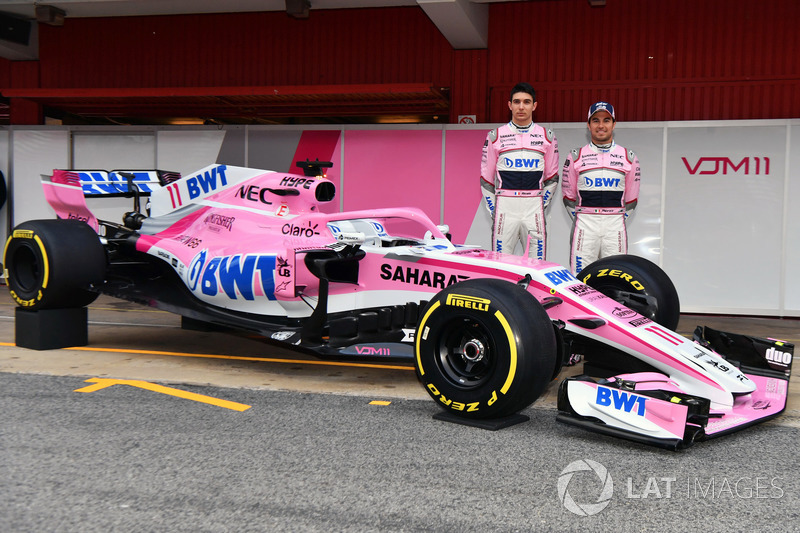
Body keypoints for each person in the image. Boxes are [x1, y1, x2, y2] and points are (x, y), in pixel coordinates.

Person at [480, 82, 559, 260]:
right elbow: (486, 179)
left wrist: (541, 204)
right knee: (501, 264)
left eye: (526, 102)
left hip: (534, 207)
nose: (521, 107)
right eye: (517, 102)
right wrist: (495, 209)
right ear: (510, 105)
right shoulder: (495, 136)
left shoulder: (547, 136)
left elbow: (552, 178)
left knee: (536, 264)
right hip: (505, 206)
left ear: (534, 105)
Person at [562, 102, 641, 274]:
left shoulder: (628, 157)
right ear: (588, 125)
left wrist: (615, 219)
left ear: (614, 124)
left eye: (606, 120)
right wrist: (582, 219)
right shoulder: (575, 156)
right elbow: (568, 197)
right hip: (585, 223)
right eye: (595, 120)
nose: (601, 125)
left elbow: (632, 199)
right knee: (580, 276)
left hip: (615, 225)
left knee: (616, 275)